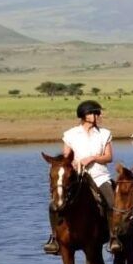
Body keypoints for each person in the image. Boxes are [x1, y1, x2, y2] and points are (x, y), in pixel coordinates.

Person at [43, 100, 122, 254]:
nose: (98, 115)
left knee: (112, 202)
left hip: (99, 175)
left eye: (97, 113)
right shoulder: (70, 134)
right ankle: (54, 238)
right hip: (77, 176)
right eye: (94, 113)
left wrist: (92, 158)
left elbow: (108, 157)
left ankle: (114, 237)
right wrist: (72, 164)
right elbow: (66, 158)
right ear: (84, 115)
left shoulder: (105, 134)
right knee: (54, 204)